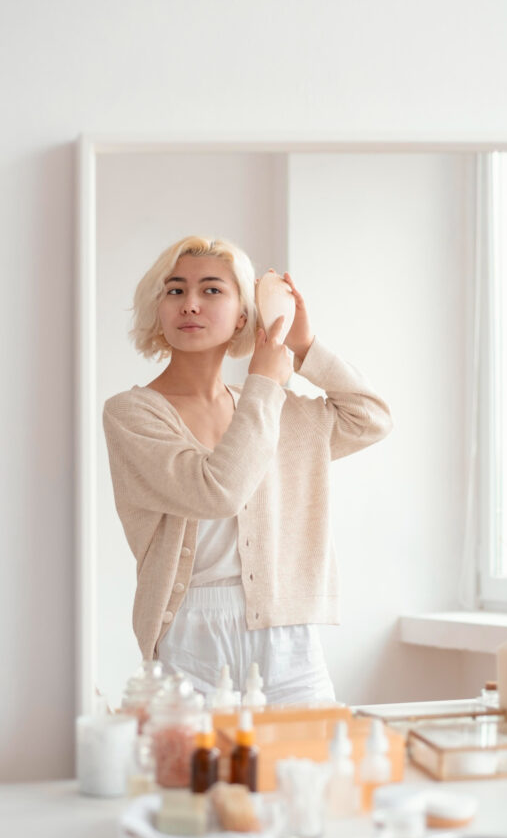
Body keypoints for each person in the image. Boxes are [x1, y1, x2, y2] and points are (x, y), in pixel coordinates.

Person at [102, 235, 393, 703]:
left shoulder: (275, 409)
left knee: (311, 750)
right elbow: (217, 492)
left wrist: (304, 346)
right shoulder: (132, 413)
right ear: (159, 308)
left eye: (211, 290)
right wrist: (264, 382)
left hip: (287, 631)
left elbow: (371, 417)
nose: (190, 303)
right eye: (175, 290)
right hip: (190, 633)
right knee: (198, 755)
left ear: (243, 315)